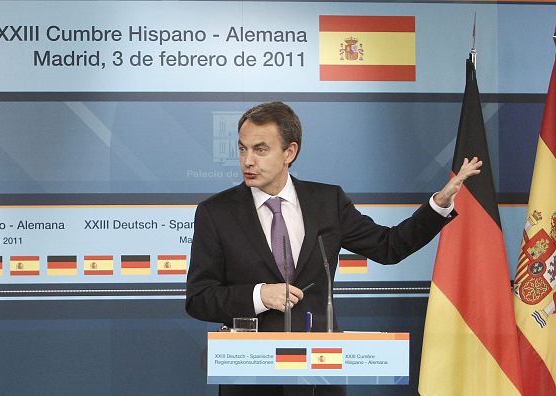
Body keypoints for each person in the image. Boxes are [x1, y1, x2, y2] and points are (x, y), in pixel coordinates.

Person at [184, 102, 481, 396]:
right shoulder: (216, 212)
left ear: (290, 152)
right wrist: (258, 295)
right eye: (242, 149)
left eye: (260, 149)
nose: (247, 160)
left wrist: (438, 205)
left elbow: (389, 247)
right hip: (251, 381)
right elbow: (199, 298)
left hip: (320, 376)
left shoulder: (327, 202)